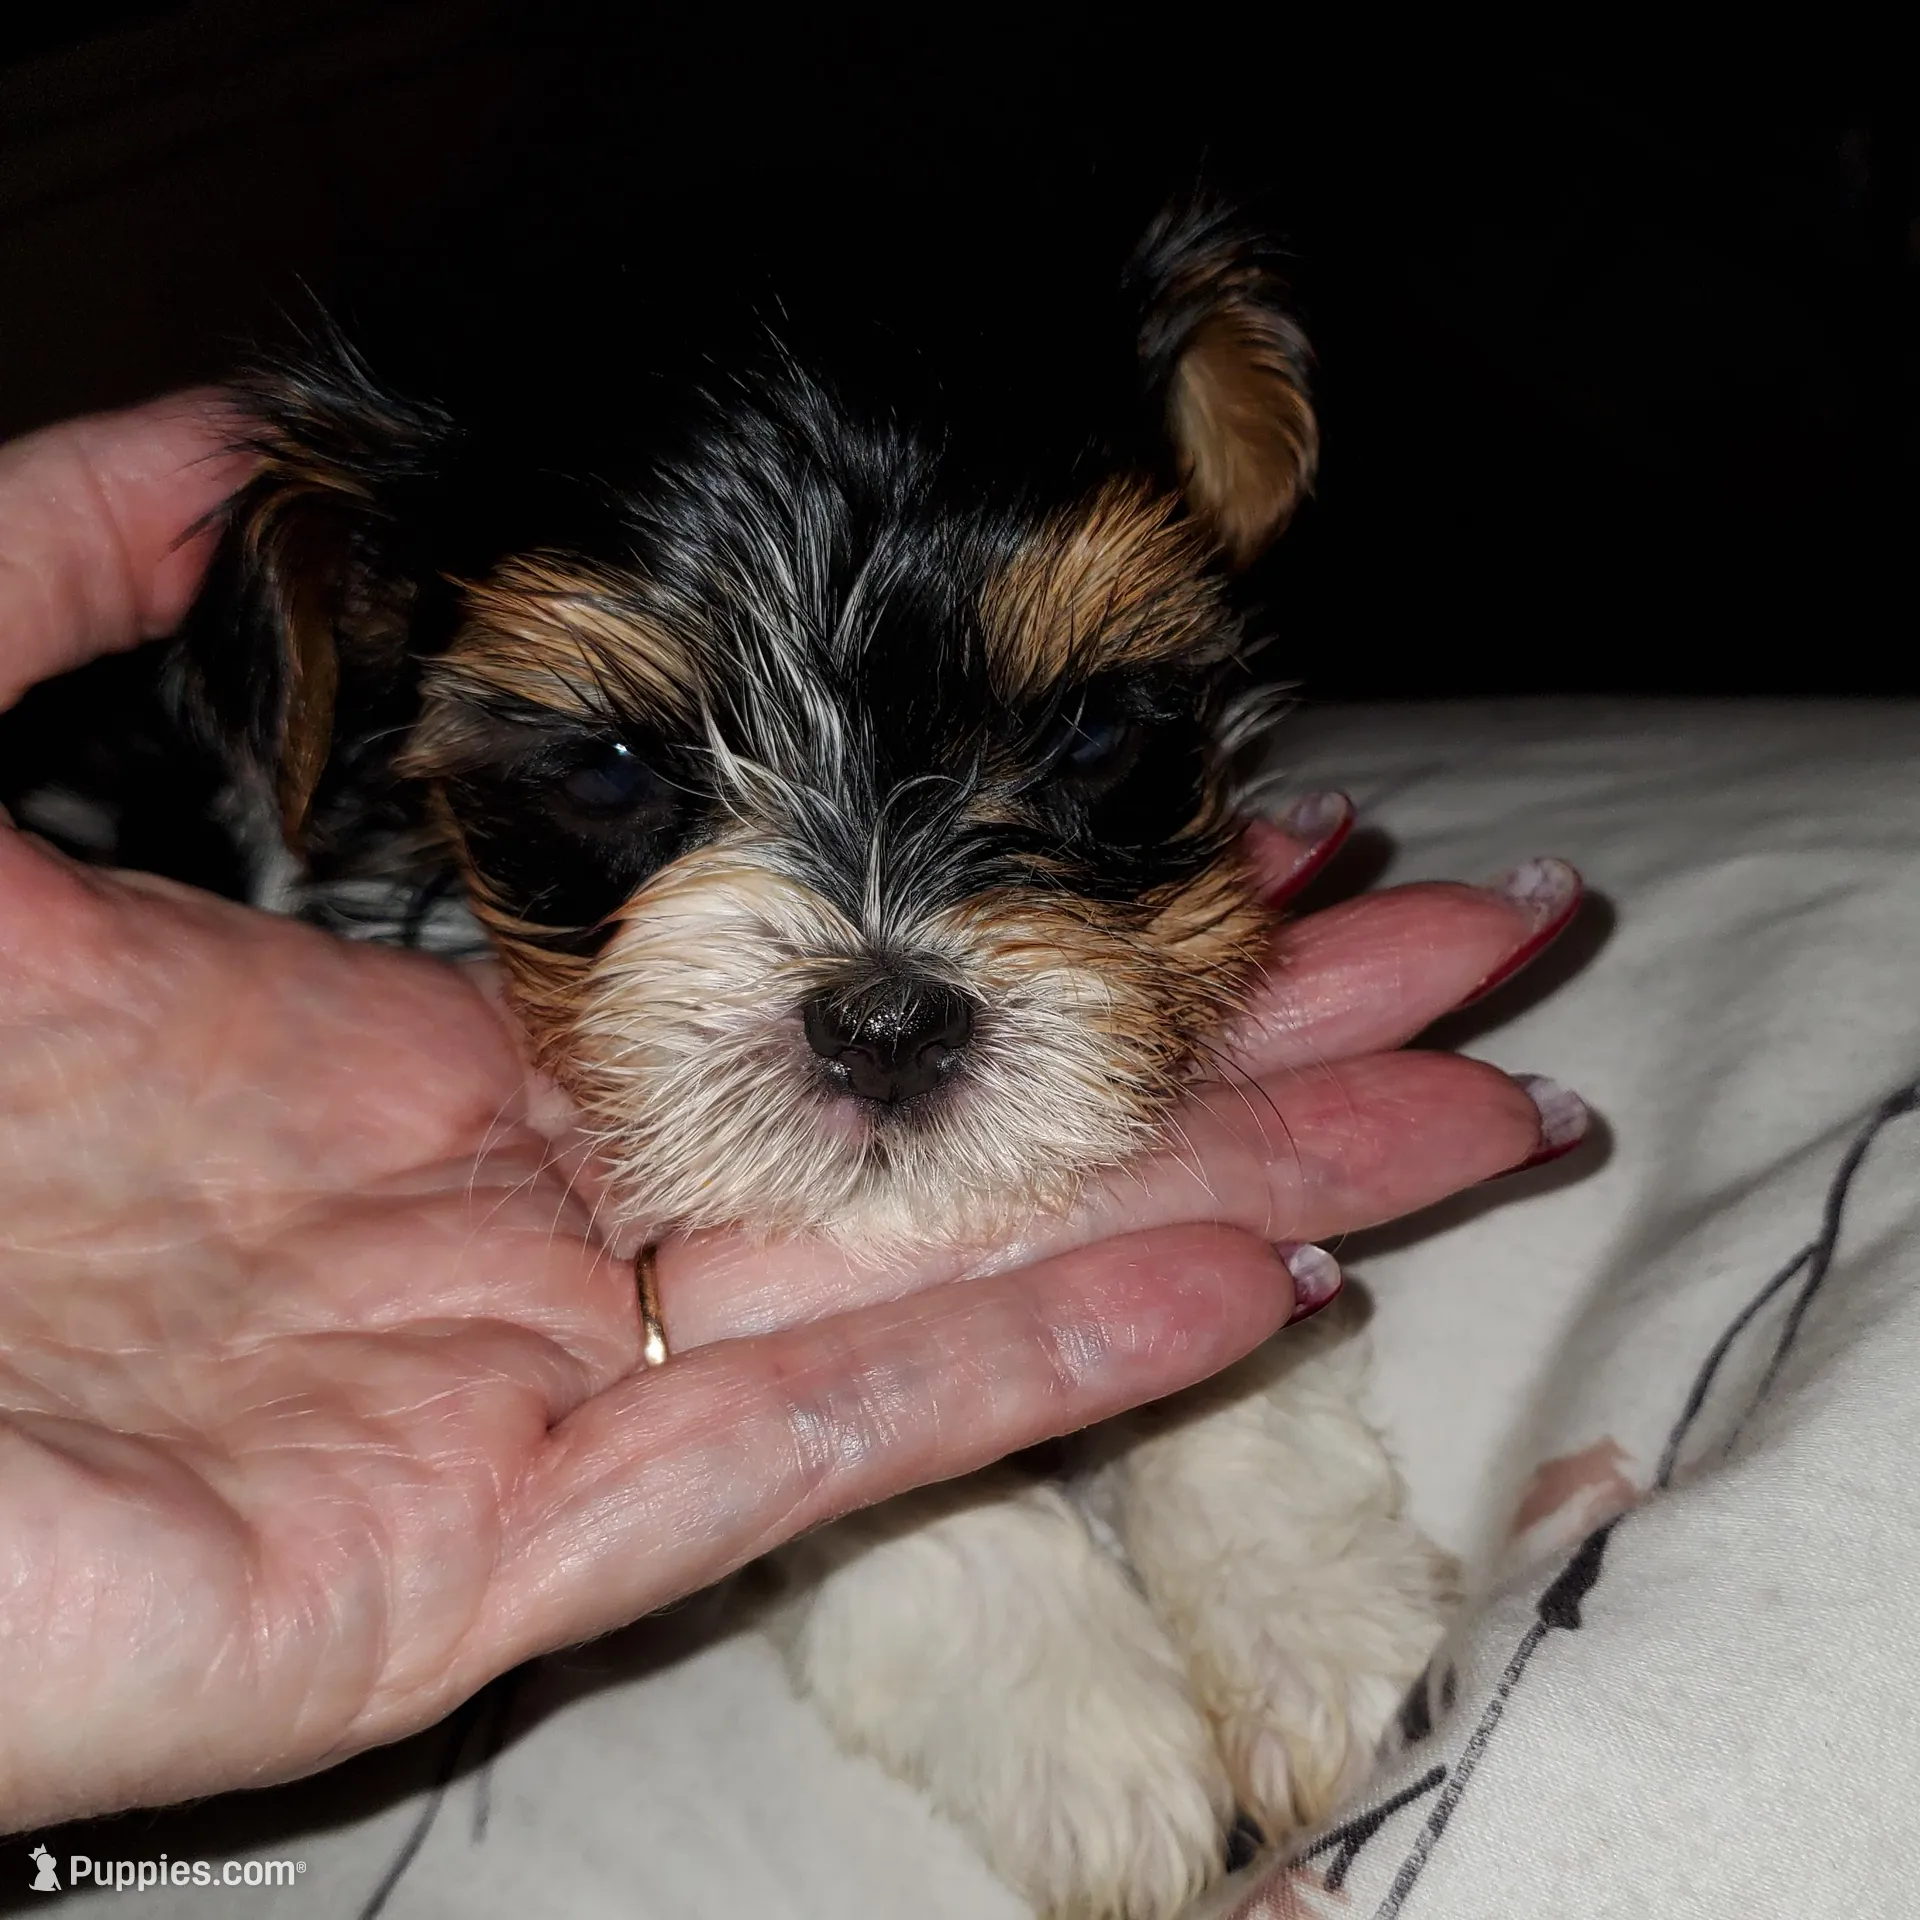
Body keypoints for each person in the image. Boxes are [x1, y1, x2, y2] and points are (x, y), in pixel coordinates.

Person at [0, 396, 1581, 1836]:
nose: (888, 989)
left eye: (1090, 734)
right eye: (613, 778)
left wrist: (1245, 1470)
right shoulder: (268, 1001)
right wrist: (912, 1568)